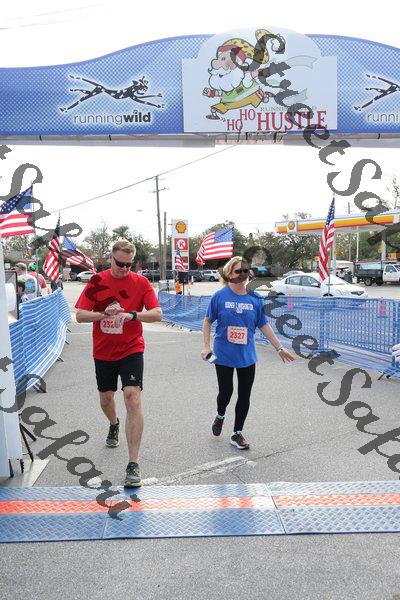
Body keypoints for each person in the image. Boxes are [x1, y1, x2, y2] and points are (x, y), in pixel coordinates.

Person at [75, 239, 162, 487]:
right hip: (104, 351)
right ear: (110, 258)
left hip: (131, 348)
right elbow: (80, 315)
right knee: (106, 398)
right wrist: (104, 314)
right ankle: (114, 424)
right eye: (120, 263)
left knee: (132, 397)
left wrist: (132, 315)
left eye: (128, 265)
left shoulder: (141, 282)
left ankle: (133, 464)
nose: (124, 269)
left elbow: (157, 314)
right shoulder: (96, 281)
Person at [201, 256, 295, 450]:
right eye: (238, 271)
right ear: (229, 274)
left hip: (247, 355)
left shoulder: (255, 298)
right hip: (224, 353)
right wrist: (206, 346)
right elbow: (208, 320)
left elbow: (263, 324)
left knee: (244, 395)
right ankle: (220, 415)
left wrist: (279, 347)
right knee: (226, 392)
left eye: (245, 271)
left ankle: (237, 433)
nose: (242, 275)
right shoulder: (219, 296)